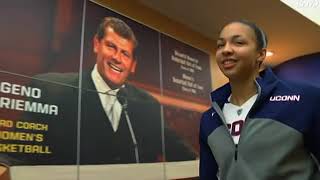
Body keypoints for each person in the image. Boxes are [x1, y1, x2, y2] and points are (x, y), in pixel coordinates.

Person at [1, 17, 195, 166]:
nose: (117, 58)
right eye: (111, 46)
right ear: (96, 44)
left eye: (125, 53)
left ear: (133, 65)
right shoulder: (52, 90)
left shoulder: (148, 105)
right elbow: (13, 157)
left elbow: (182, 155)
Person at [199, 20, 320, 180]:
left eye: (239, 42)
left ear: (260, 54)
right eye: (220, 45)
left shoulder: (306, 99)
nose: (226, 50)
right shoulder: (209, 118)